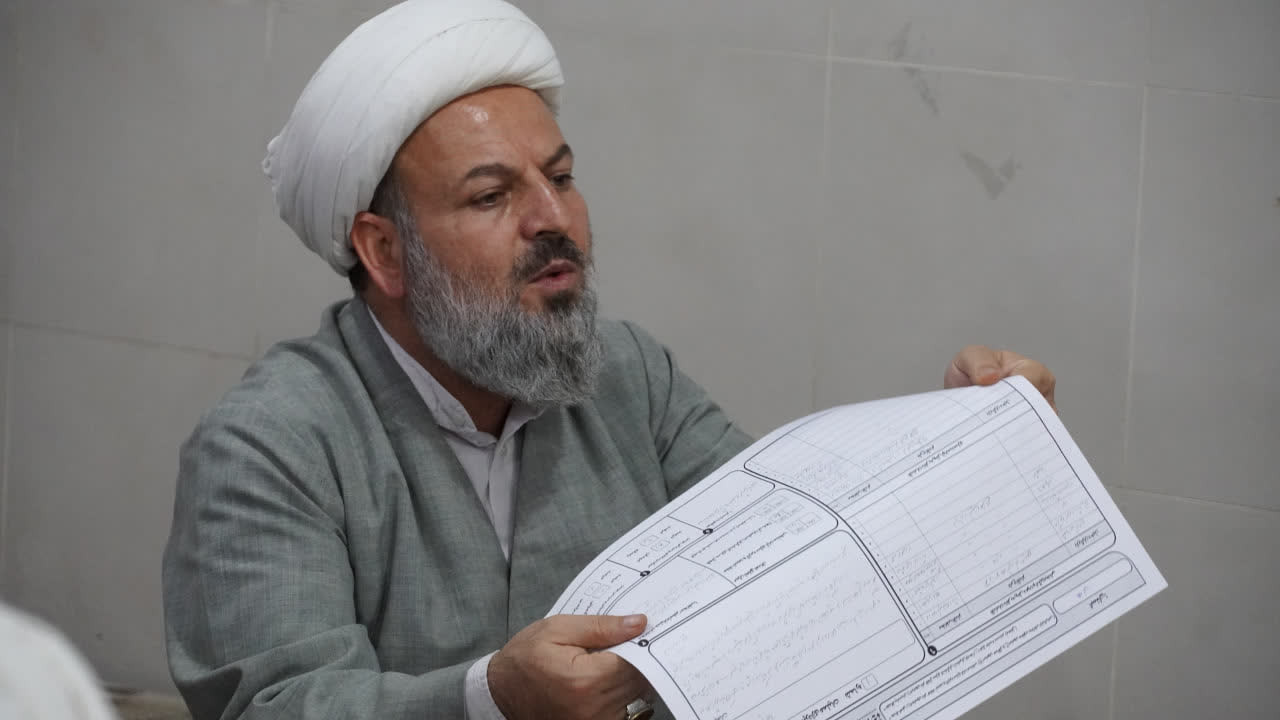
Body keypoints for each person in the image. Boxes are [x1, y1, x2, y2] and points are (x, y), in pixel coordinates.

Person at [161, 1, 1057, 719]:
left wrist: (967, 443)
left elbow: (797, 554)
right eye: (491, 195)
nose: (553, 218)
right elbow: (275, 704)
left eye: (560, 176)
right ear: (385, 252)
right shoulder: (271, 444)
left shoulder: (628, 376)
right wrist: (488, 700)